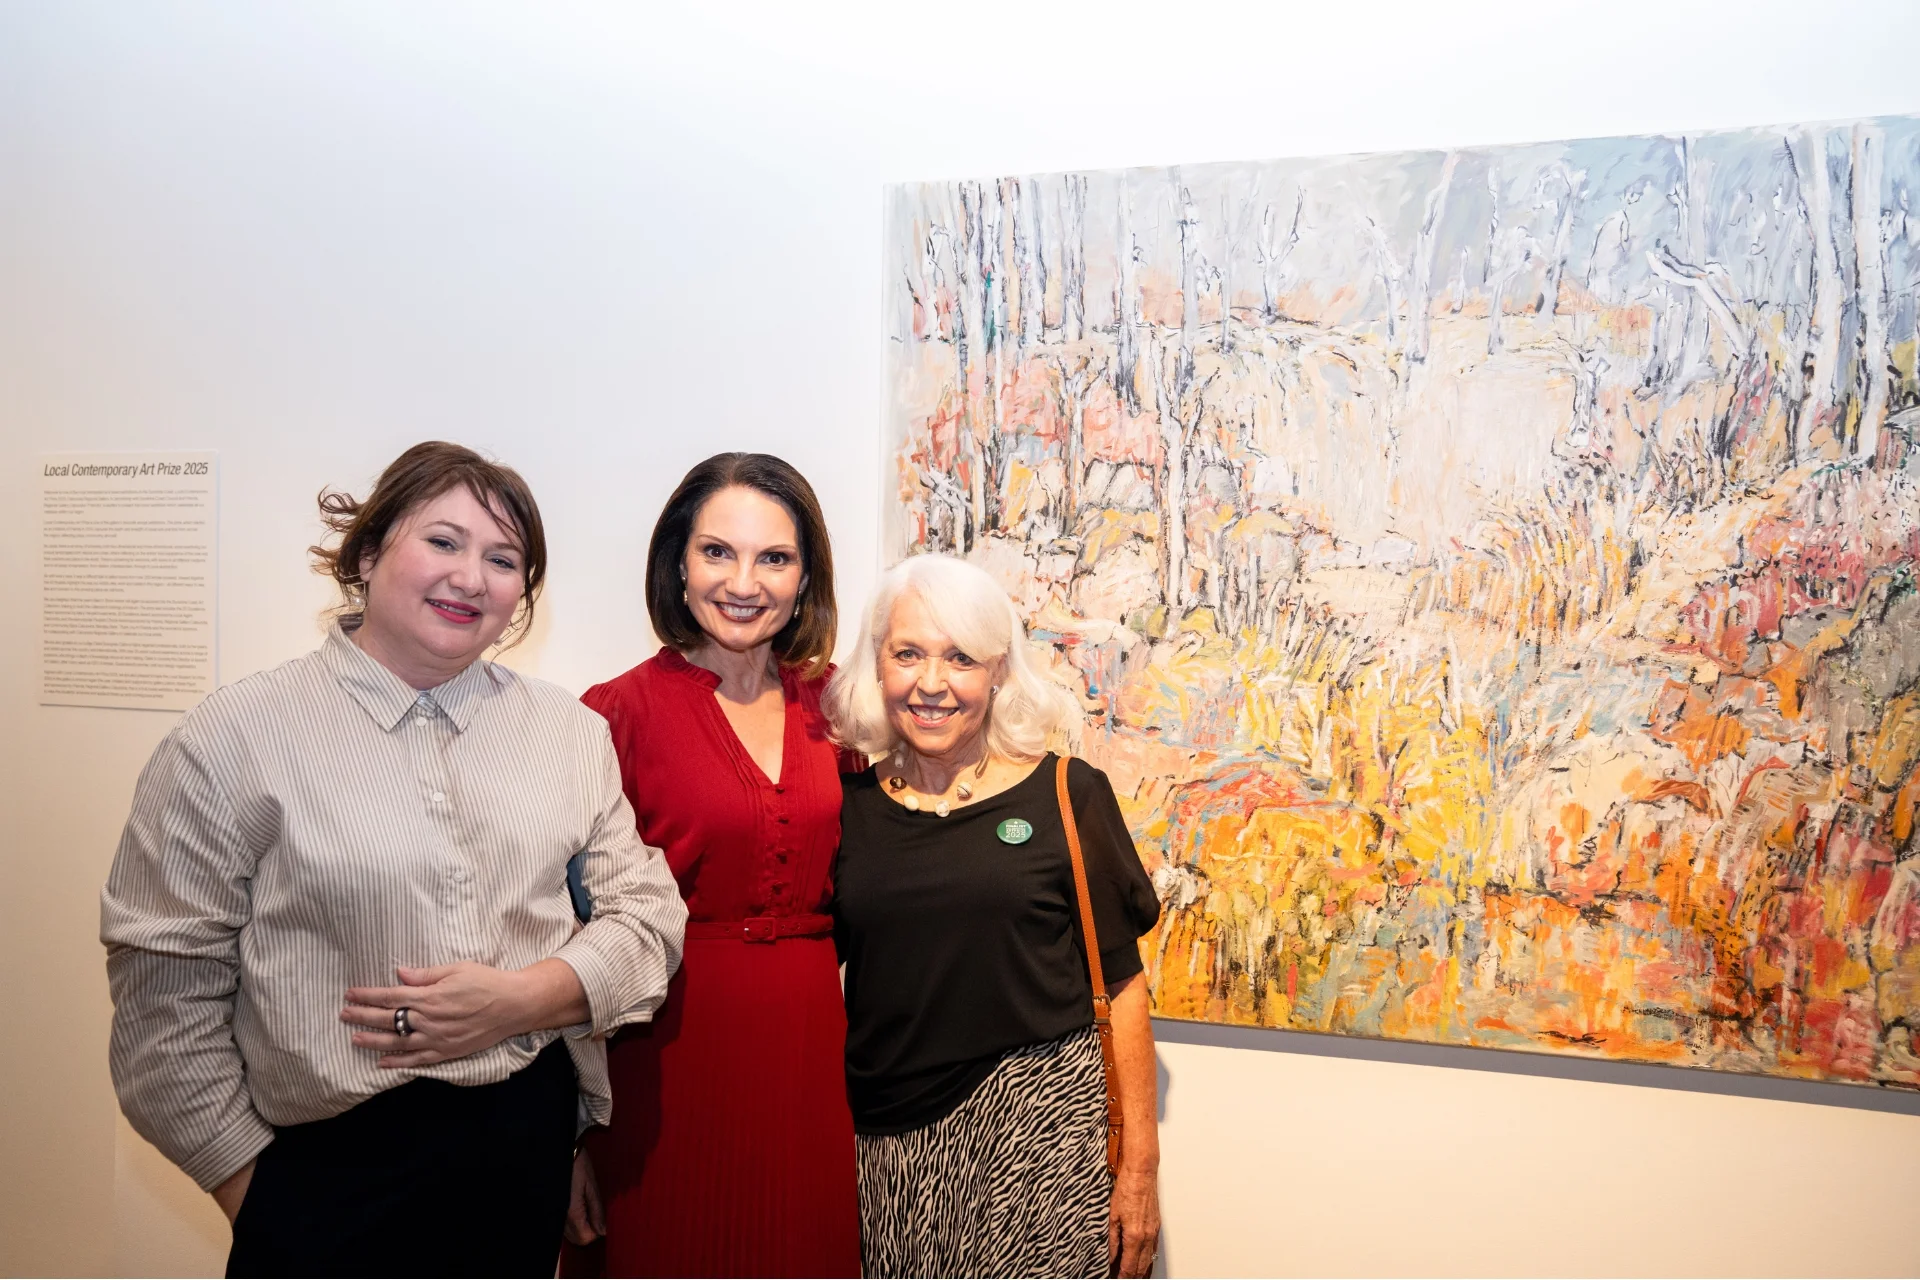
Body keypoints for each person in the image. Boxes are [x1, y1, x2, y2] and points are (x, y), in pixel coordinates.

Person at [100, 441, 688, 1279]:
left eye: (503, 558)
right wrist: (253, 1191)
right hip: (325, 1173)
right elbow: (164, 995)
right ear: (369, 552)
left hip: (522, 1155)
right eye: (443, 542)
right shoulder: (234, 739)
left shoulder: (568, 735)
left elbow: (649, 917)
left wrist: (521, 1001)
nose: (471, 577)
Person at [824, 554, 1165, 1279]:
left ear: (999, 673)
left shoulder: (1068, 795)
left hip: (1043, 1136)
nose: (932, 683)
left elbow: (1126, 986)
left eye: (961, 659)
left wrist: (1139, 1172)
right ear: (876, 667)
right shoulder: (843, 811)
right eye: (908, 653)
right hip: (892, 1146)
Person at [561, 454, 860, 1277]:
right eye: (717, 552)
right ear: (677, 564)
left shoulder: (840, 708)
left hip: (811, 1060)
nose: (744, 581)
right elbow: (558, 931)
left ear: (805, 578)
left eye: (775, 558)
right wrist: (571, 1138)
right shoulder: (613, 715)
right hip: (659, 1060)